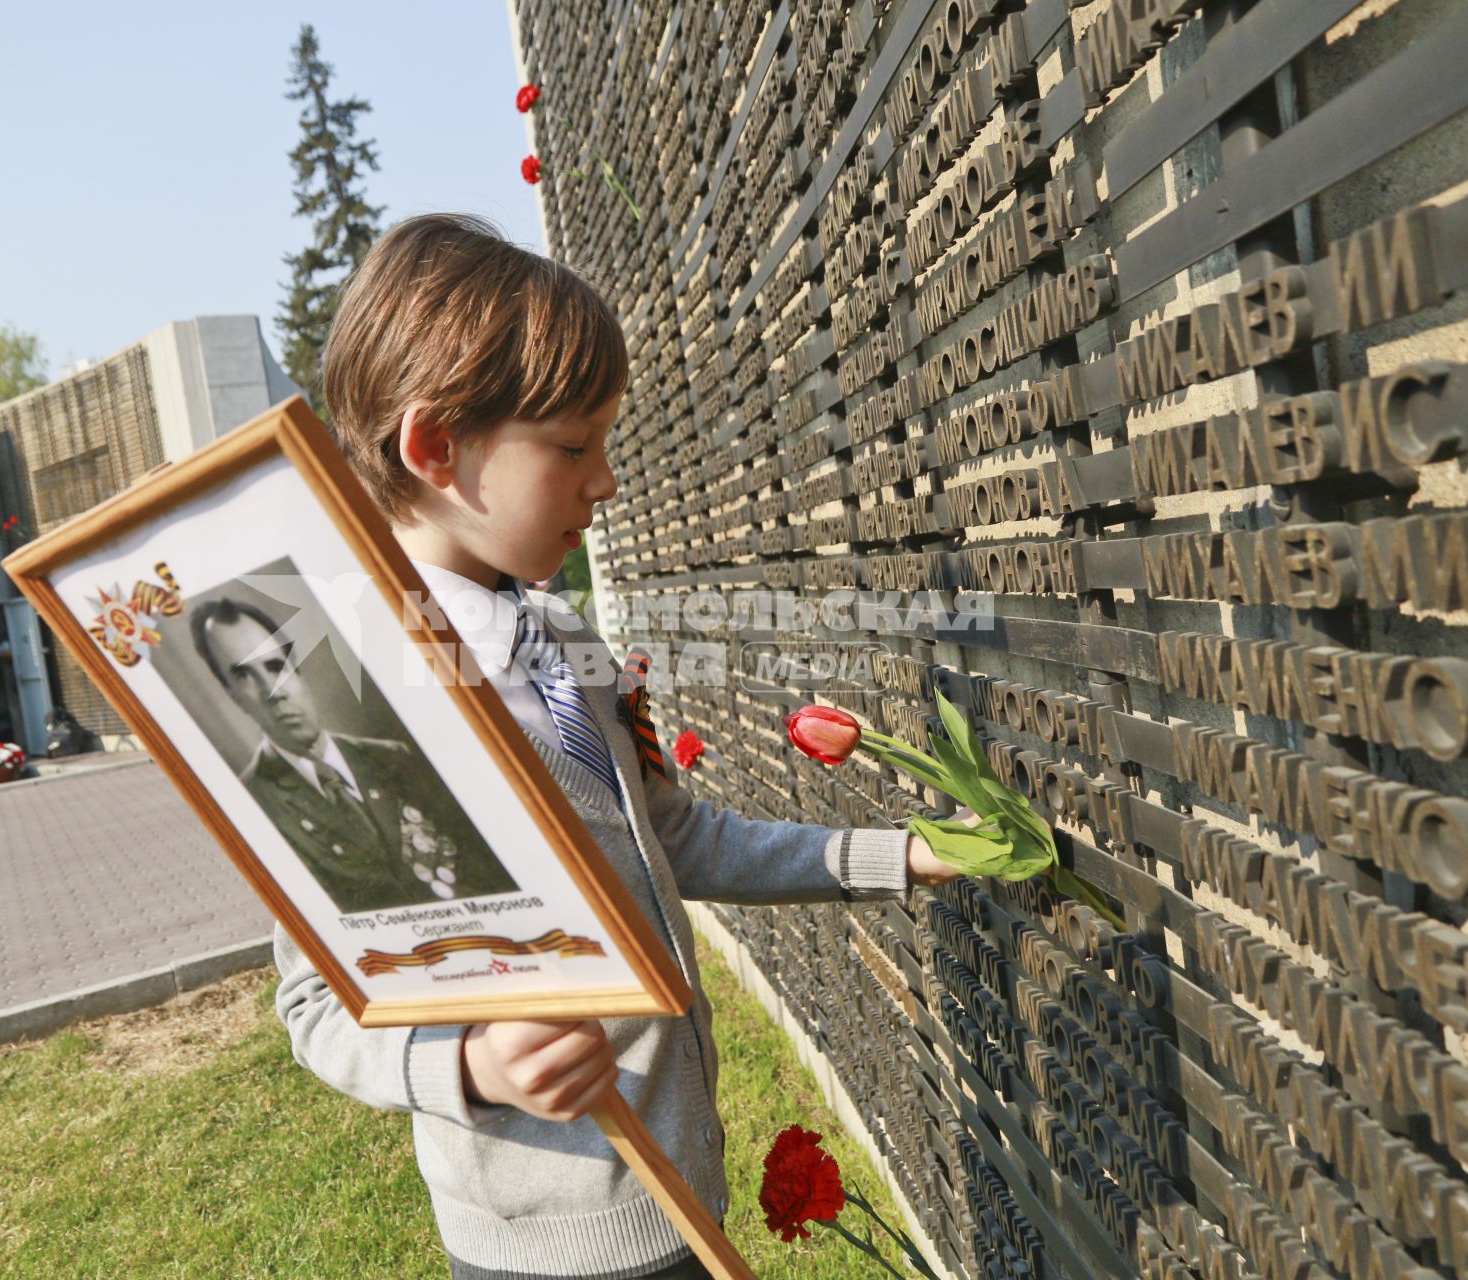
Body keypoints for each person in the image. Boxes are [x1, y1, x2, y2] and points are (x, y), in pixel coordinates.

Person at [271, 212, 969, 1279]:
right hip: (552, 1252)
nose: (604, 482)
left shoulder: (565, 639)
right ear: (435, 446)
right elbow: (317, 1002)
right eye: (572, 446)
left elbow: (670, 840)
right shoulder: (348, 705)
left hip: (682, 1191)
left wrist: (901, 854)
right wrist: (470, 1059)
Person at [193, 594, 518, 914]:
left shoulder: (393, 757)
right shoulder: (255, 803)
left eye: (276, 666)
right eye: (243, 675)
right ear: (232, 696)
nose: (272, 691)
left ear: (298, 671)